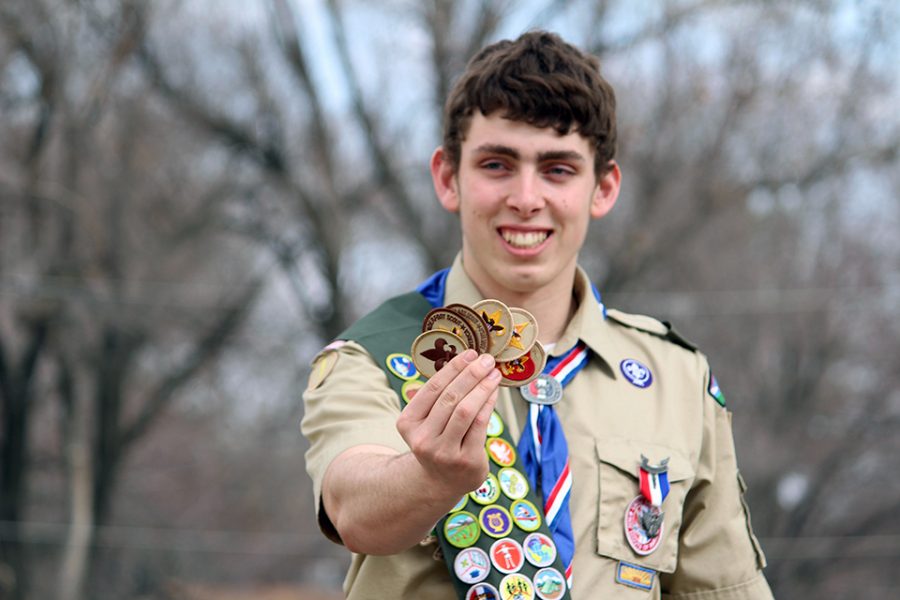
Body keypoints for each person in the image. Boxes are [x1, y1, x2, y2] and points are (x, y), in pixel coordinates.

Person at [301, 30, 773, 599]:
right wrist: (430, 478)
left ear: (603, 188)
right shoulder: (373, 356)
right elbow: (355, 510)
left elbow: (719, 589)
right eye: (497, 164)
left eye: (558, 169)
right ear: (449, 178)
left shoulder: (678, 380)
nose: (526, 198)